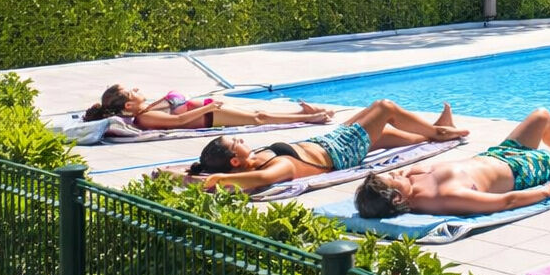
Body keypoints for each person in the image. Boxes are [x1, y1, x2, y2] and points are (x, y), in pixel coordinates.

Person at [355, 109, 550, 218]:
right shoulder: (443, 197)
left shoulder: (412, 179)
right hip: (520, 170)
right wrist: (546, 192)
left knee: (541, 117)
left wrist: (406, 174)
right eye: (393, 178)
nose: (395, 173)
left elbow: (407, 176)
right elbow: (505, 202)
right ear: (398, 198)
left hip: (499, 154)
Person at [187, 99, 469, 192]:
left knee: (385, 134)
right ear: (234, 161)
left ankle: (431, 134)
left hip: (330, 141)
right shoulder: (276, 167)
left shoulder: (252, 158)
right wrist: (218, 179)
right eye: (236, 142)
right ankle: (439, 131)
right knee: (385, 108)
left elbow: (194, 174)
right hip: (341, 152)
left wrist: (185, 174)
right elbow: (258, 180)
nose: (240, 139)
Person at [82, 84, 334, 130]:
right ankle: (308, 118)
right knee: (260, 117)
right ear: (129, 104)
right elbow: (179, 121)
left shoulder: (147, 108)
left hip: (209, 109)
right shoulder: (144, 119)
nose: (138, 88)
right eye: (133, 91)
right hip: (209, 116)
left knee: (258, 114)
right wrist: (207, 108)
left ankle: (304, 113)